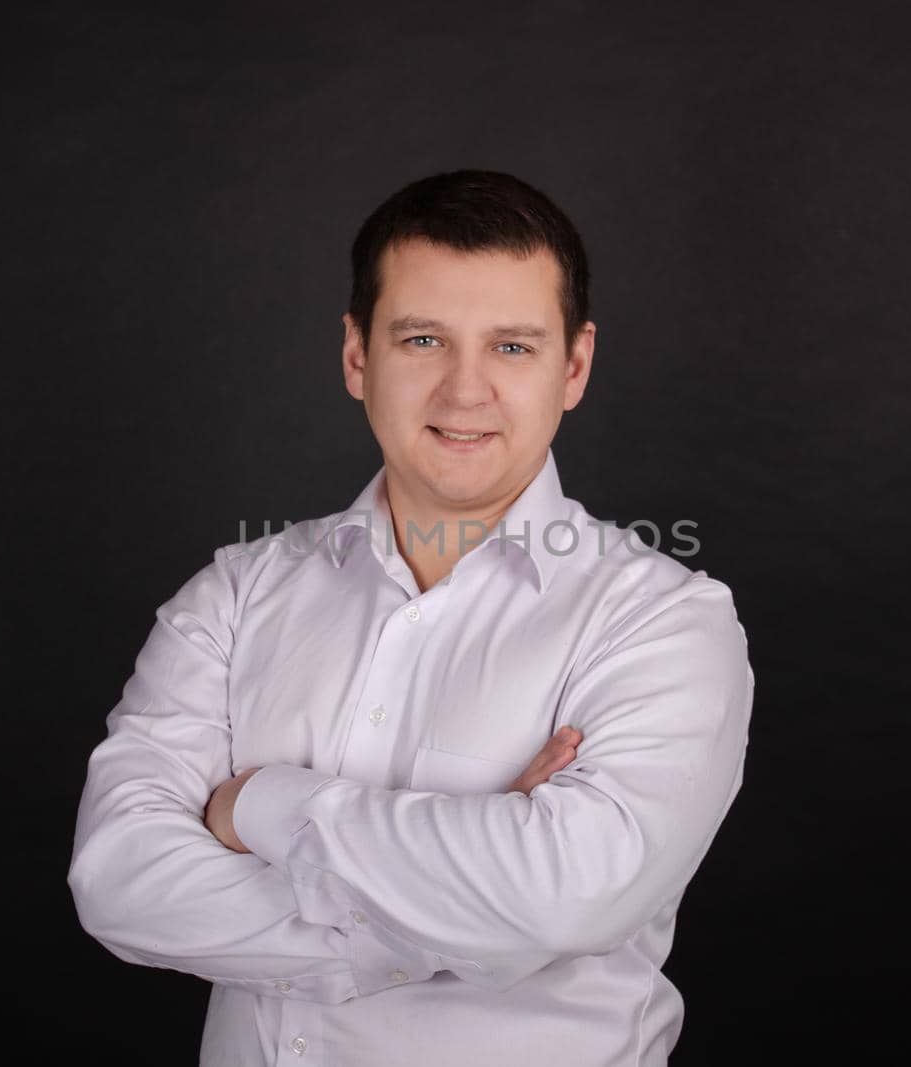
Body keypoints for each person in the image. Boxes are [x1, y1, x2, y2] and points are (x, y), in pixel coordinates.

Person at [68, 169, 755, 1066]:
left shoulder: (665, 622)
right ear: (358, 357)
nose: (464, 393)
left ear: (574, 366)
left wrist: (259, 805)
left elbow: (571, 897)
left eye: (512, 347)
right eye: (423, 339)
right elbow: (120, 880)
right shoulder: (235, 594)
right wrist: (465, 919)